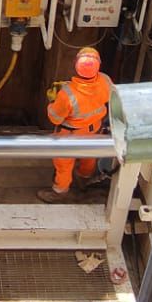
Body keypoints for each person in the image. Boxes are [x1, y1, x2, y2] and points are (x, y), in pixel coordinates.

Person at [39, 46, 111, 203]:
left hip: (70, 134)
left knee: (64, 163)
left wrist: (53, 101)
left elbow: (55, 118)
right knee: (88, 157)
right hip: (95, 130)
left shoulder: (67, 94)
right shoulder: (105, 80)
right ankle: (83, 180)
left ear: (75, 64)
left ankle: (60, 192)